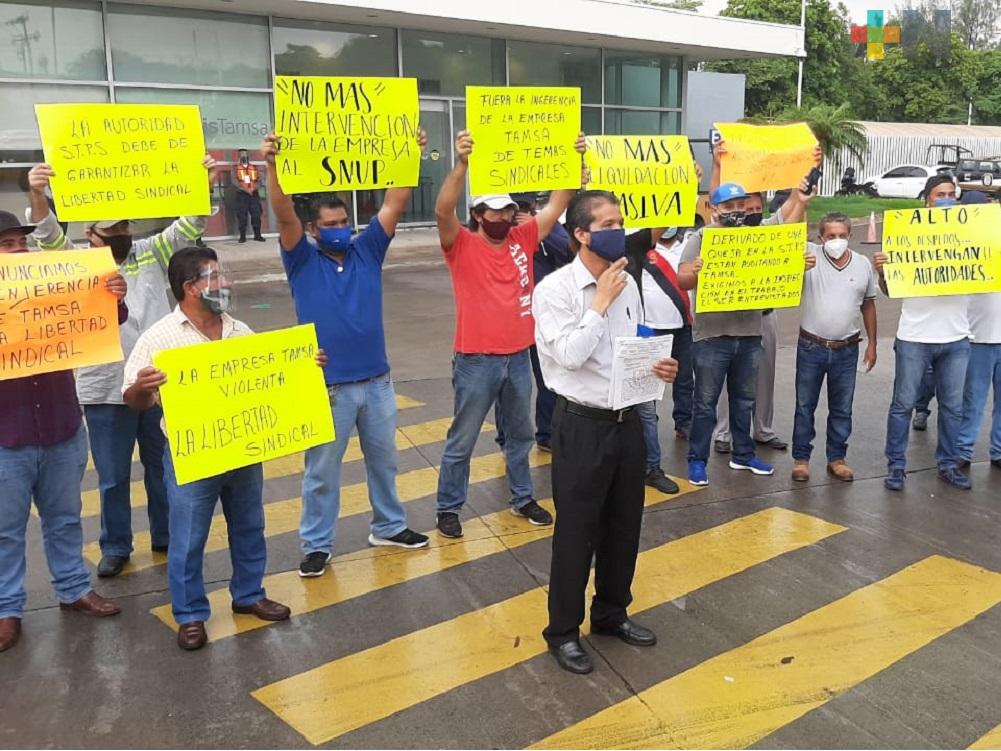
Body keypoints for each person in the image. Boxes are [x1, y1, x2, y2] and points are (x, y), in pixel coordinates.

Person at [25, 155, 219, 579]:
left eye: (125, 227)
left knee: (162, 467)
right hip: (103, 390)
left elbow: (189, 225)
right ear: (90, 234)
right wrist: (38, 193)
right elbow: (46, 235)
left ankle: (165, 534)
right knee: (112, 478)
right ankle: (116, 545)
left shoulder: (150, 253)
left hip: (155, 385)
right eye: (112, 230)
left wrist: (203, 180)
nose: (122, 235)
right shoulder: (72, 264)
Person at [261, 130, 430, 579]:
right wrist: (272, 168)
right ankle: (316, 545)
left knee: (385, 461)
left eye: (344, 221)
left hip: (376, 382)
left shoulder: (367, 250)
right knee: (321, 472)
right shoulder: (301, 259)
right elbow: (282, 214)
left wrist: (408, 153)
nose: (340, 228)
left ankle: (389, 526)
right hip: (328, 386)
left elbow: (394, 202)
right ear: (313, 230)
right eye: (330, 223)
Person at [533, 190, 679, 674]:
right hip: (580, 426)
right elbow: (570, 356)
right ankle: (562, 631)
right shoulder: (553, 292)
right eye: (608, 223)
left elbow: (633, 345)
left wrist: (659, 366)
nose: (620, 229)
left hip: (628, 421)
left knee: (623, 527)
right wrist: (599, 303)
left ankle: (611, 613)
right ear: (581, 234)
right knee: (576, 534)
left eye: (621, 220)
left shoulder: (628, 282)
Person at [122, 247, 295, 650]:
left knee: (250, 524)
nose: (225, 284)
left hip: (242, 449)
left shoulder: (240, 330)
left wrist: (303, 368)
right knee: (188, 536)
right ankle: (190, 614)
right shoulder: (160, 337)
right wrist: (142, 389)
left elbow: (270, 380)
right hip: (191, 454)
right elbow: (134, 399)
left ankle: (249, 593)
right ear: (190, 288)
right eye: (214, 278)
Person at [432, 129, 585, 539]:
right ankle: (448, 508)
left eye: (507, 211)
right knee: (461, 440)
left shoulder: (522, 237)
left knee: (520, 435)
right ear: (478, 213)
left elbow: (557, 204)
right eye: (493, 212)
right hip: (476, 360)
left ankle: (521, 498)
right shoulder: (460, 244)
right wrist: (461, 164)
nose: (501, 218)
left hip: (519, 355)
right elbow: (443, 211)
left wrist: (570, 161)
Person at [0, 210, 126, 653]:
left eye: (21, 242)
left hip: (61, 426)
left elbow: (108, 318)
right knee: (6, 529)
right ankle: (6, 609)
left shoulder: (51, 284)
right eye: (8, 244)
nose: (19, 250)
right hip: (5, 438)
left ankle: (74, 589)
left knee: (65, 518)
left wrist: (113, 291)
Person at [677, 169, 817, 487]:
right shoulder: (699, 240)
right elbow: (682, 279)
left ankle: (743, 454)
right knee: (705, 403)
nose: (736, 212)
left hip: (750, 334)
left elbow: (785, 224)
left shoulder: (757, 236)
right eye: (729, 206)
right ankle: (697, 461)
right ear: (713, 209)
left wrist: (801, 200)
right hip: (712, 336)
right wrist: (697, 272)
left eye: (740, 205)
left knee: (744, 400)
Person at [874, 174, 972, 491]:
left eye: (950, 194)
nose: (945, 198)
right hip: (915, 337)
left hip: (956, 338)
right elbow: (890, 289)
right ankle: (896, 467)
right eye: (939, 194)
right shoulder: (908, 233)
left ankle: (947, 464)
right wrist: (883, 271)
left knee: (954, 408)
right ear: (926, 199)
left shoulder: (972, 234)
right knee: (902, 405)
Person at [791, 212, 878, 483]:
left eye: (842, 236)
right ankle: (801, 459)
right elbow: (788, 232)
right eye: (831, 236)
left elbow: (868, 304)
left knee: (842, 407)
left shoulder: (862, 264)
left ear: (850, 236)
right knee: (805, 405)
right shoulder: (808, 255)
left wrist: (873, 343)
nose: (837, 241)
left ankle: (837, 458)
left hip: (847, 347)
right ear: (820, 238)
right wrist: (796, 266)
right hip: (811, 345)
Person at [494, 192, 574, 452]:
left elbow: (568, 252)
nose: (516, 214)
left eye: (525, 207)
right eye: (513, 208)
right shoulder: (496, 231)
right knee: (506, 384)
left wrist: (539, 225)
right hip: (509, 316)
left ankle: (547, 433)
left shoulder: (546, 226)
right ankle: (505, 437)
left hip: (542, 314)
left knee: (548, 378)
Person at [712, 189, 787, 453]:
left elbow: (791, 214)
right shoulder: (727, 235)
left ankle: (763, 430)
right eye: (747, 209)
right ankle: (723, 433)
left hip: (764, 315)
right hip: (731, 319)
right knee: (726, 378)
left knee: (765, 375)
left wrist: (801, 196)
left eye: (756, 209)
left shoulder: (769, 234)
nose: (751, 214)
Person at [626, 226, 689, 495]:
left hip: (651, 335)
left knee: (649, 409)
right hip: (633, 336)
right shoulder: (627, 244)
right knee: (639, 410)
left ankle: (652, 468)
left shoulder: (632, 245)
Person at [955, 190, 1001, 470]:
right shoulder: (956, 245)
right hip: (977, 337)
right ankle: (963, 450)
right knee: (972, 400)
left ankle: (998, 451)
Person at [234, 149, 265, 243]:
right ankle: (242, 236)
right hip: (241, 195)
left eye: (245, 155)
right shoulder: (235, 168)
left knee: (256, 215)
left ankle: (258, 235)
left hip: (254, 194)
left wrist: (253, 188)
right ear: (239, 156)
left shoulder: (254, 167)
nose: (244, 156)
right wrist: (246, 189)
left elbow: (260, 179)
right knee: (242, 216)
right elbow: (234, 181)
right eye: (242, 155)